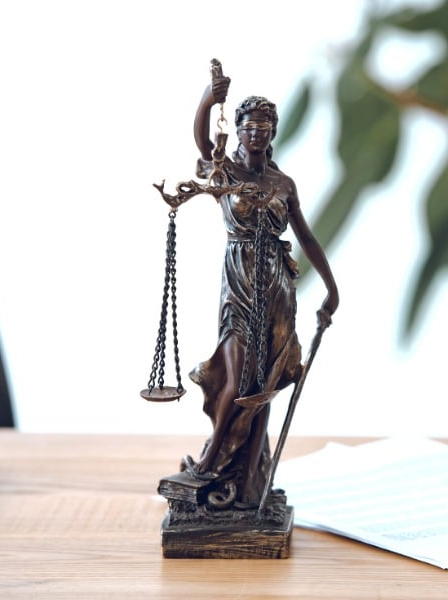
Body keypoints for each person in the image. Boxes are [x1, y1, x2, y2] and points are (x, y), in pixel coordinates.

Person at [175, 71, 339, 509]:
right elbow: (200, 141)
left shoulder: (284, 185)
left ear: (273, 134)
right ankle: (212, 459)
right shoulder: (225, 171)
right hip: (239, 282)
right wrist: (209, 99)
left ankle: (250, 479)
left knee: (265, 380)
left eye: (265, 130)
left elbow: (307, 238)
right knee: (234, 376)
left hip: (278, 288)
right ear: (240, 131)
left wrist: (331, 288)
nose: (256, 136)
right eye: (249, 128)